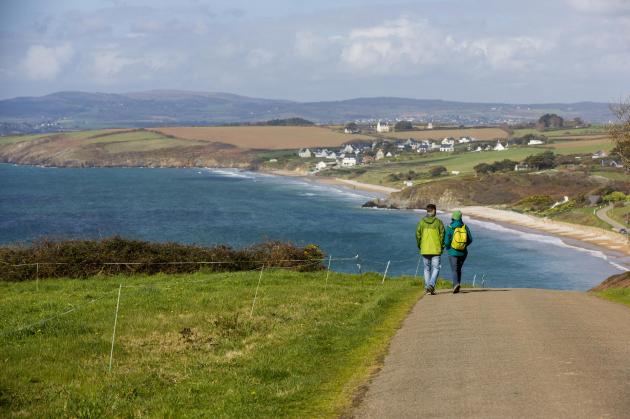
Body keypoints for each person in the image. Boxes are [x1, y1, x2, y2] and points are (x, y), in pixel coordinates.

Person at [416, 203, 445, 295]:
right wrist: (442, 246)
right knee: (436, 268)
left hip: (424, 249)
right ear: (434, 211)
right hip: (436, 249)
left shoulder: (421, 222)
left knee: (426, 269)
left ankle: (428, 287)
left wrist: (420, 245)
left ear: (427, 211)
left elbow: (418, 235)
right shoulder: (438, 222)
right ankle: (431, 285)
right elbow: (442, 236)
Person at [443, 210, 473, 294]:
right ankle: (457, 285)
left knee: (454, 269)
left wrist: (449, 247)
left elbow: (446, 242)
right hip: (463, 253)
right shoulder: (465, 227)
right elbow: (470, 239)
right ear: (460, 218)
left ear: (453, 217)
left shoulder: (450, 227)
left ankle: (456, 284)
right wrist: (463, 246)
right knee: (458, 268)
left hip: (453, 252)